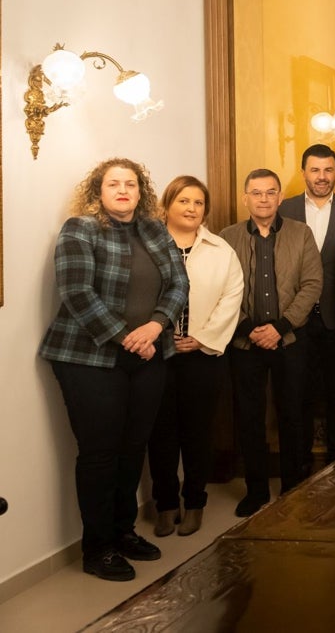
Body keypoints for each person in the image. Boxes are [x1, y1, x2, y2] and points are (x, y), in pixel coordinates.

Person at [40, 158, 189, 581]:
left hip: (148, 356)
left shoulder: (155, 231)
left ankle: (123, 532)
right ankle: (97, 548)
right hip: (89, 358)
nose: (123, 190)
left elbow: (179, 283)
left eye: (131, 184)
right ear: (98, 192)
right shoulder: (80, 229)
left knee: (132, 448)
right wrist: (128, 336)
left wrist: (157, 325)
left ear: (141, 192)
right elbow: (77, 292)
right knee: (100, 453)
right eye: (113, 184)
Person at [220, 169, 323, 517]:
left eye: (270, 193)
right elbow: (221, 291)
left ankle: (294, 486)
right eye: (256, 193)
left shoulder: (301, 233)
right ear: (245, 197)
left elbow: (312, 285)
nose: (263, 199)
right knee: (249, 419)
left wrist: (279, 326)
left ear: (280, 198)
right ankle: (256, 490)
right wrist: (249, 328)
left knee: (293, 414)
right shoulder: (227, 237)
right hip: (244, 343)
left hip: (290, 340)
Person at [148, 176, 243, 539]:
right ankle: (166, 505)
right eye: (184, 201)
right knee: (161, 434)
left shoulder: (221, 250)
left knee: (197, 433)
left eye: (198, 203)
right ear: (167, 205)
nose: (191, 209)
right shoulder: (148, 245)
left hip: (203, 356)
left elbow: (231, 299)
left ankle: (195, 503)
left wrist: (201, 339)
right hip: (157, 354)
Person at [279, 144, 335, 470]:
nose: (322, 176)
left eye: (328, 170)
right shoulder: (283, 209)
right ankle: (298, 475)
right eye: (315, 170)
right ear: (304, 173)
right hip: (294, 321)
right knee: (296, 399)